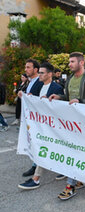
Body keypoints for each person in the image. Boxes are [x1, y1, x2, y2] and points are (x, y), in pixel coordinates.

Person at [49, 52, 85, 200]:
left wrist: (81, 101)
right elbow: (68, 98)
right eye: (69, 62)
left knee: (76, 153)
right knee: (75, 152)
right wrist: (59, 97)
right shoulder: (70, 79)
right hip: (71, 124)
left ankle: (70, 186)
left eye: (72, 62)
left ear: (81, 63)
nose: (69, 64)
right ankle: (80, 179)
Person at [17, 62, 64, 190]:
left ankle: (36, 179)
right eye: (39, 73)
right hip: (41, 125)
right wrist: (27, 97)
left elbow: (61, 106)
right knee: (46, 148)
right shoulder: (38, 86)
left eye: (42, 73)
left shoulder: (56, 88)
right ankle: (60, 171)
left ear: (50, 74)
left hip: (53, 126)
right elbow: (32, 100)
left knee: (46, 148)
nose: (39, 75)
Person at [19, 59, 43, 177]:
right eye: (25, 67)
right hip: (30, 118)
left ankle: (36, 166)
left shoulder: (40, 82)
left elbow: (40, 98)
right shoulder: (30, 81)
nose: (26, 69)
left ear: (35, 69)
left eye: (28, 67)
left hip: (38, 118)